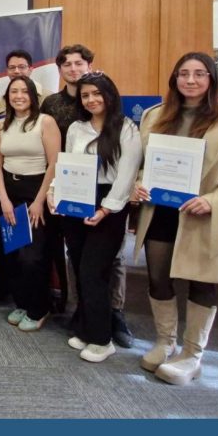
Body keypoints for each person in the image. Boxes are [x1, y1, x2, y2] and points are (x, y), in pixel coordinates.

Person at [133, 52, 218, 385]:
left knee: (202, 282)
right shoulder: (154, 116)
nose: (190, 80)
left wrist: (213, 200)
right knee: (158, 277)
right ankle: (165, 342)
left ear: (211, 79)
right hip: (160, 211)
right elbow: (143, 164)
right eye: (183, 73)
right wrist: (140, 183)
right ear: (174, 78)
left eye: (199, 74)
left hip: (204, 214)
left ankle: (192, 354)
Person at [40, 44, 133, 346]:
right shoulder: (77, 128)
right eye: (85, 95)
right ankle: (86, 328)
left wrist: (106, 210)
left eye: (96, 94)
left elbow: (126, 176)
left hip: (108, 205)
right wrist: (54, 192)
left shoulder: (126, 128)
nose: (91, 99)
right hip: (76, 199)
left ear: (109, 96)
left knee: (96, 272)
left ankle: (102, 340)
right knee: (80, 268)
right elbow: (65, 164)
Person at [0, 76, 60, 332]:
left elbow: (54, 163)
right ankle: (23, 302)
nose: (18, 96)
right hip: (9, 192)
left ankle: (40, 308)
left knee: (33, 256)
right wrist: (5, 201)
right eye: (13, 91)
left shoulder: (45, 122)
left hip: (37, 192)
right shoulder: (1, 125)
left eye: (24, 91)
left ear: (32, 95)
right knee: (13, 253)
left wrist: (40, 201)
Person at [0, 49, 47, 117]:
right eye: (12, 67)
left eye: (21, 67)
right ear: (7, 71)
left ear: (30, 70)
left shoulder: (48, 98)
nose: (16, 71)